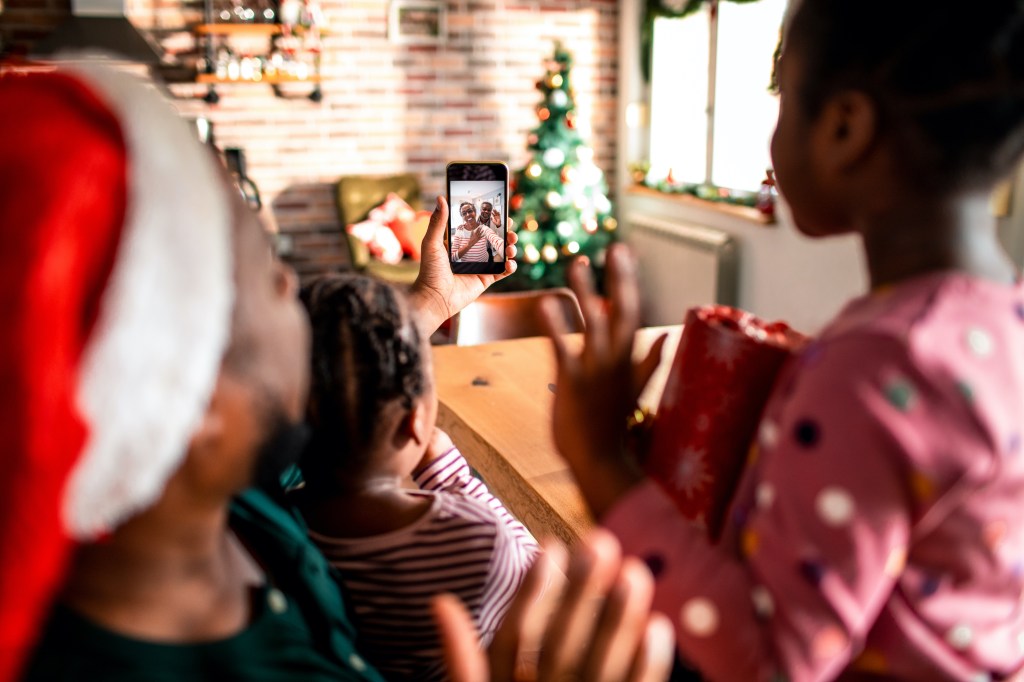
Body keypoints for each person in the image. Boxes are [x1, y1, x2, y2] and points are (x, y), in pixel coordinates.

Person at [0, 62, 675, 682]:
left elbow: (343, 372)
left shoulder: (225, 493)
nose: (293, 283)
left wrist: (437, 300)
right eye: (270, 278)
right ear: (194, 393)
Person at [541, 0, 1024, 679]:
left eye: (782, 98)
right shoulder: (1001, 325)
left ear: (846, 126)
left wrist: (599, 460)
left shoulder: (878, 366)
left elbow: (770, 663)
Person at [294, 272, 538, 681]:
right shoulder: (476, 538)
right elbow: (534, 566)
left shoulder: (274, 525)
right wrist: (450, 473)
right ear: (416, 421)